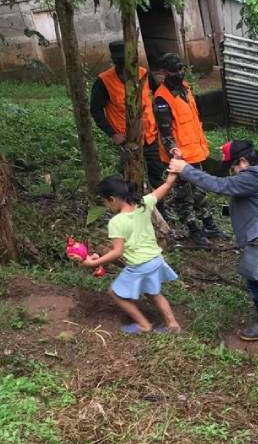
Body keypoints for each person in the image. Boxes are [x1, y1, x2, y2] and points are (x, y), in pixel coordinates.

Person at [168, 140, 258, 341]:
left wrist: (185, 169)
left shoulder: (253, 176)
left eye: (233, 167)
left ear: (243, 161)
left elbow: (219, 185)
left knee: (254, 281)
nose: (233, 172)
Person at [74, 174, 180, 334]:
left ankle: (144, 325)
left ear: (112, 199)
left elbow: (117, 251)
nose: (106, 205)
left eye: (104, 201)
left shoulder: (116, 222)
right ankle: (173, 325)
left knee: (115, 293)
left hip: (140, 265)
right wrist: (171, 177)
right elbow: (164, 187)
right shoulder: (144, 204)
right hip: (156, 260)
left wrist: (93, 263)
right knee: (153, 293)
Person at [153, 53, 224, 247]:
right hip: (179, 158)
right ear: (164, 72)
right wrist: (173, 152)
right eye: (174, 71)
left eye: (180, 69)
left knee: (199, 191)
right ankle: (194, 231)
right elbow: (165, 133)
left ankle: (209, 224)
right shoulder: (161, 98)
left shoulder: (185, 89)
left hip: (196, 153)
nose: (179, 73)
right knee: (184, 197)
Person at [89, 41, 166, 194]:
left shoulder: (143, 74)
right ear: (114, 62)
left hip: (150, 136)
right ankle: (131, 203)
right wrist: (113, 134)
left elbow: (160, 95)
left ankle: (159, 205)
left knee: (157, 174)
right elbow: (96, 110)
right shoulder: (104, 81)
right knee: (129, 178)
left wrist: (161, 121)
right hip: (127, 140)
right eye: (120, 62)